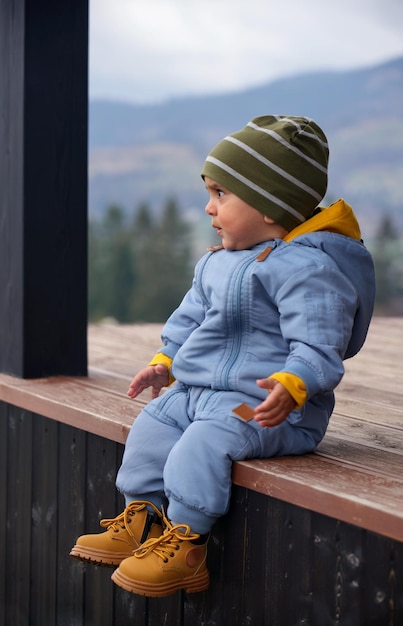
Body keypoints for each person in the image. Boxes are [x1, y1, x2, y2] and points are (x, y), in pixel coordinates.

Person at [70, 115, 375, 597]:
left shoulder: (310, 270)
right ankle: (143, 519)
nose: (210, 208)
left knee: (204, 443)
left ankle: (189, 545)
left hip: (266, 409)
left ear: (270, 205)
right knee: (153, 425)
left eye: (221, 194)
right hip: (198, 392)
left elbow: (320, 341)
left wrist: (294, 383)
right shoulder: (217, 261)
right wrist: (164, 361)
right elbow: (189, 317)